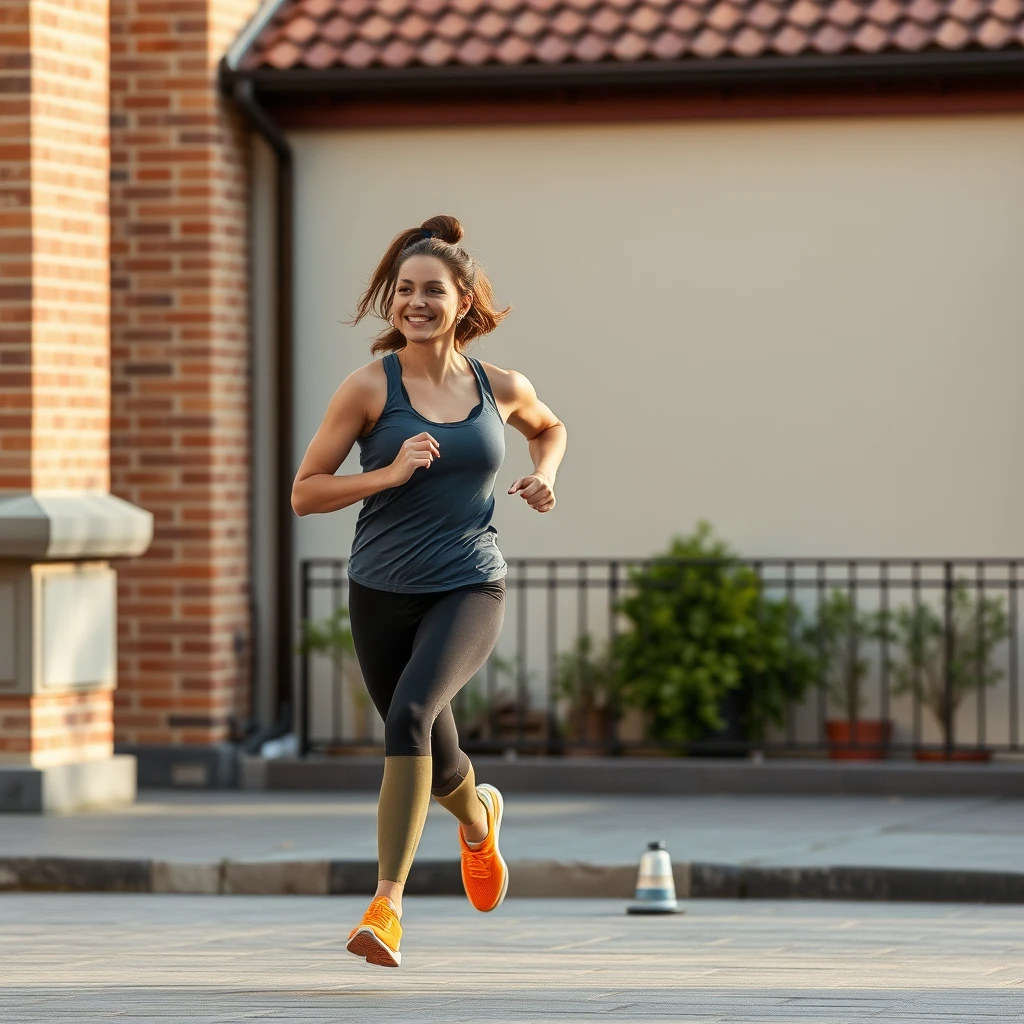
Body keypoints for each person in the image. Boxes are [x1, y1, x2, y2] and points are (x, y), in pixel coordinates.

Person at [291, 215, 567, 967]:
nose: (416, 302)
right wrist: (388, 472)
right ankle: (479, 821)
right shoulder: (368, 388)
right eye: (404, 290)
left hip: (469, 583)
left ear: (464, 300)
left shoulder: (501, 386)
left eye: (432, 291)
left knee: (409, 715)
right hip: (379, 588)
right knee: (435, 756)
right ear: (392, 303)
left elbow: (551, 428)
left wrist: (543, 476)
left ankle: (387, 907)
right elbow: (305, 493)